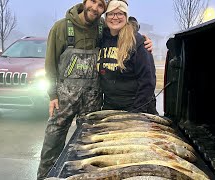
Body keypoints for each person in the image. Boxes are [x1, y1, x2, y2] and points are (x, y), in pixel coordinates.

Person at [37, 0, 153, 179]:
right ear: (84, 2)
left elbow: (124, 26)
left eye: (101, 5)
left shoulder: (105, 30)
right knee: (52, 144)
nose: (95, 8)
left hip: (94, 102)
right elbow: (50, 65)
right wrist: (52, 95)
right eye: (93, 2)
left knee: (88, 149)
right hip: (65, 99)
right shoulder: (62, 28)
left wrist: (141, 37)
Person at [97, 0, 156, 113]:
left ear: (126, 16)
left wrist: (136, 112)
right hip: (110, 107)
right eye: (111, 13)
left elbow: (148, 81)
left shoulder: (137, 41)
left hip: (136, 107)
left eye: (120, 13)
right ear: (106, 16)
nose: (115, 17)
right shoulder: (101, 39)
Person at [128, 16, 159, 115]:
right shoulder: (108, 35)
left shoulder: (140, 42)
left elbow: (148, 81)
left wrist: (137, 112)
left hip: (142, 107)